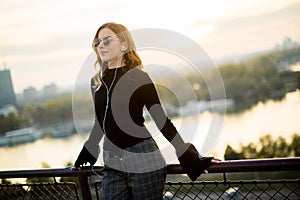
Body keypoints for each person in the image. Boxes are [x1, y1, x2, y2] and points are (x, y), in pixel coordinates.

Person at [74, 22, 220, 200]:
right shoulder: (96, 82)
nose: (101, 45)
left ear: (124, 45)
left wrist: (184, 152)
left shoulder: (139, 78)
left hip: (143, 159)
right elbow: (101, 120)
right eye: (98, 41)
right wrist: (90, 147)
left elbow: (161, 120)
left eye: (107, 40)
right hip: (112, 161)